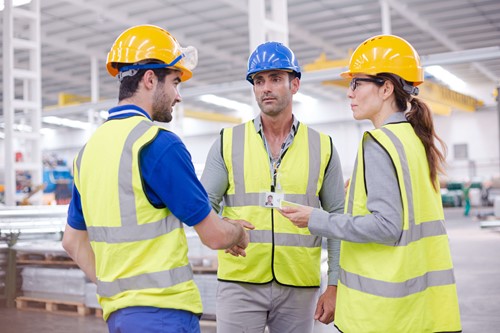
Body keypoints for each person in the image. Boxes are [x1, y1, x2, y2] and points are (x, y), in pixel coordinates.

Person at [62, 24, 252, 333]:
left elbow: (72, 241)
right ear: (150, 79)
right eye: (176, 82)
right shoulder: (157, 145)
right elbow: (214, 236)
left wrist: (120, 292)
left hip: (120, 317)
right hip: (165, 315)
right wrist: (238, 233)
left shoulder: (87, 153)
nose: (178, 96)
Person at [280, 34, 462, 332]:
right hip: (423, 311)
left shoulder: (378, 143)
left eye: (357, 83)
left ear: (386, 88)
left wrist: (317, 219)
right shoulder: (414, 140)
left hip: (384, 315)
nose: (349, 93)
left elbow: (387, 227)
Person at [201, 41, 345, 333]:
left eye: (275, 79)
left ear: (295, 84)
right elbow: (204, 204)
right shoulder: (228, 141)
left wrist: (334, 284)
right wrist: (223, 225)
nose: (265, 88)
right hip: (240, 282)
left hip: (299, 285)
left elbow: (337, 220)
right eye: (259, 80)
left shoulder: (323, 146)